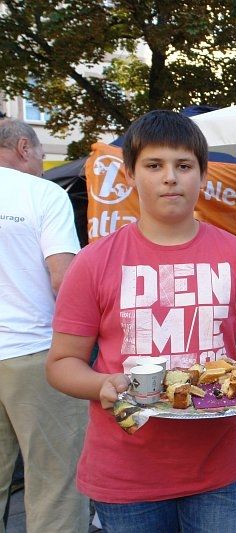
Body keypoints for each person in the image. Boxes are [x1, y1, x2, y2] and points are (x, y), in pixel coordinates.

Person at [45, 110, 236, 532]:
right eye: (154, 165)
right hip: (125, 474)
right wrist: (102, 385)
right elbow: (62, 363)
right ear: (131, 175)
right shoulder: (93, 262)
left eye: (184, 165)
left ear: (203, 176)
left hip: (219, 471)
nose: (170, 177)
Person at [0, 118, 89, 532]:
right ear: (23, 146)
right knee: (56, 480)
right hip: (34, 352)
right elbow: (64, 280)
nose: (40, 160)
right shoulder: (42, 194)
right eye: (38, 153)